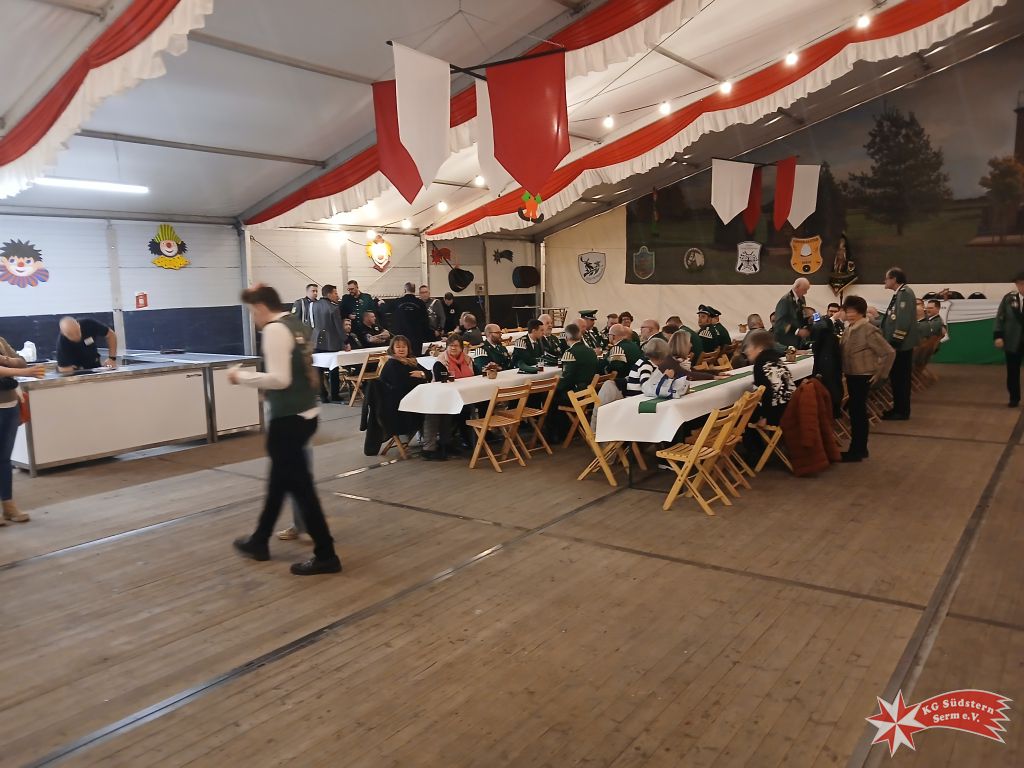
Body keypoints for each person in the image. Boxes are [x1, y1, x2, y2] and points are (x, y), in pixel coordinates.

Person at [229, 285, 341, 576]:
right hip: (306, 413)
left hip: (288, 419)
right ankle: (259, 540)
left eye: (252, 311)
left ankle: (326, 553)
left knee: (301, 489)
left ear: (261, 307)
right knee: (279, 482)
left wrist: (241, 377)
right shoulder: (296, 324)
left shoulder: (275, 330)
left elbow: (280, 379)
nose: (253, 318)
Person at [840, 296, 895, 462]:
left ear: (861, 312)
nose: (849, 314)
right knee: (855, 412)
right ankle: (859, 448)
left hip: (862, 376)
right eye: (848, 311)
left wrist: (880, 375)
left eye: (853, 311)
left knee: (858, 414)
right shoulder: (850, 328)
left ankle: (857, 450)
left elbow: (888, 352)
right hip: (851, 374)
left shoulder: (868, 329)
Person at [0, 339, 44, 524]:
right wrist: (24, 372)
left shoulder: (1, 341)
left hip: (10, 405)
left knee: (4, 459)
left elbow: (21, 360)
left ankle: (8, 505)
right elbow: (22, 367)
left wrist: (6, 360)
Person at [870, 267, 918, 420]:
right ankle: (898, 408)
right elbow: (892, 319)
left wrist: (895, 343)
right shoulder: (900, 294)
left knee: (900, 380)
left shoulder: (905, 294)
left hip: (901, 346)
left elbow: (903, 322)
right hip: (898, 345)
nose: (884, 281)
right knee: (897, 379)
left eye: (886, 278)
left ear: (894, 279)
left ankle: (901, 411)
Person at [423, 335, 476, 461]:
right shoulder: (440, 362)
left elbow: (476, 375)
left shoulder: (468, 360)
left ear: (461, 348)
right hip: (442, 397)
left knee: (476, 405)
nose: (453, 348)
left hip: (465, 395)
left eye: (456, 345)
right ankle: (438, 446)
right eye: (450, 345)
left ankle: (468, 440)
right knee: (447, 412)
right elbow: (440, 381)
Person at [377, 335, 431, 443]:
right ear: (393, 349)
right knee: (432, 409)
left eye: (404, 347)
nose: (401, 349)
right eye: (398, 347)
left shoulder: (411, 361)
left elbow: (429, 374)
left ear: (408, 348)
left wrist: (421, 374)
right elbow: (403, 384)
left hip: (412, 397)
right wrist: (421, 378)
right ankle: (428, 441)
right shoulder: (392, 364)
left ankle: (430, 439)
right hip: (398, 403)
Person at [311, 284, 348, 403]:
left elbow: (310, 322)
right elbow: (339, 327)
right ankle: (335, 395)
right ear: (329, 294)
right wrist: (345, 341)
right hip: (331, 342)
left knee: (318, 370)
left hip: (316, 341)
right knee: (333, 369)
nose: (337, 296)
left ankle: (322, 395)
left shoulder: (312, 305)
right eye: (335, 293)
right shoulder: (334, 308)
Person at [994, 271, 1024, 407]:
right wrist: (998, 336)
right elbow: (1000, 318)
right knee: (1012, 372)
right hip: (1013, 341)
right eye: (1020, 284)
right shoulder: (1008, 299)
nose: (1022, 286)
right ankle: (1014, 398)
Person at [809, 307, 843, 417]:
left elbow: (820, 328)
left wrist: (833, 319)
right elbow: (817, 329)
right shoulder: (821, 320)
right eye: (830, 311)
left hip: (829, 364)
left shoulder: (836, 323)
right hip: (826, 361)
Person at [391, 282, 433, 357]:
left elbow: (392, 319)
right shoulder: (420, 303)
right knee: (416, 358)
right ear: (414, 290)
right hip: (416, 338)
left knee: (401, 358)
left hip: (400, 338)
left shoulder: (397, 302)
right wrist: (427, 336)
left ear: (405, 290)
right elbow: (426, 322)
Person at [773, 278, 812, 349]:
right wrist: (797, 331)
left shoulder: (802, 300)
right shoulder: (785, 301)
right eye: (804, 290)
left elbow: (799, 318)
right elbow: (780, 323)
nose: (806, 293)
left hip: (797, 340)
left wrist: (809, 319)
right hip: (786, 341)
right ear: (797, 287)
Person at [602, 324, 641, 392]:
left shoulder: (618, 348)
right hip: (636, 380)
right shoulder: (633, 345)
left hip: (623, 385)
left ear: (613, 336)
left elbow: (615, 369)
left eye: (609, 335)